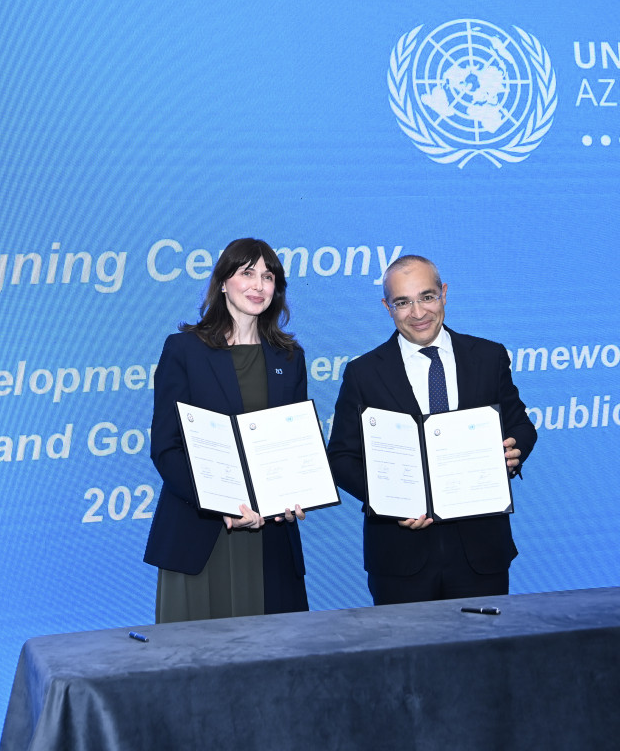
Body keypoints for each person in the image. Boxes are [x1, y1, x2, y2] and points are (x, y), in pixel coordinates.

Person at [326, 254, 537, 605]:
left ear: (444, 294)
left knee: (482, 642)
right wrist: (391, 501)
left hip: (481, 548)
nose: (418, 312)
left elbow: (520, 424)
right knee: (404, 644)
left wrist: (516, 450)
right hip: (399, 554)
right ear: (387, 307)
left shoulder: (489, 356)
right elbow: (341, 457)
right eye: (403, 302)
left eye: (426, 297)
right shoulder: (363, 373)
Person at [143, 238, 309, 622]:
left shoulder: (290, 358)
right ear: (222, 282)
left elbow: (293, 446)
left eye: (268, 277)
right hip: (201, 534)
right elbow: (166, 447)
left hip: (271, 538)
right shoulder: (184, 350)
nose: (258, 285)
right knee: (198, 654)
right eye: (247, 273)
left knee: (277, 652)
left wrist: (295, 493)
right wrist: (219, 504)